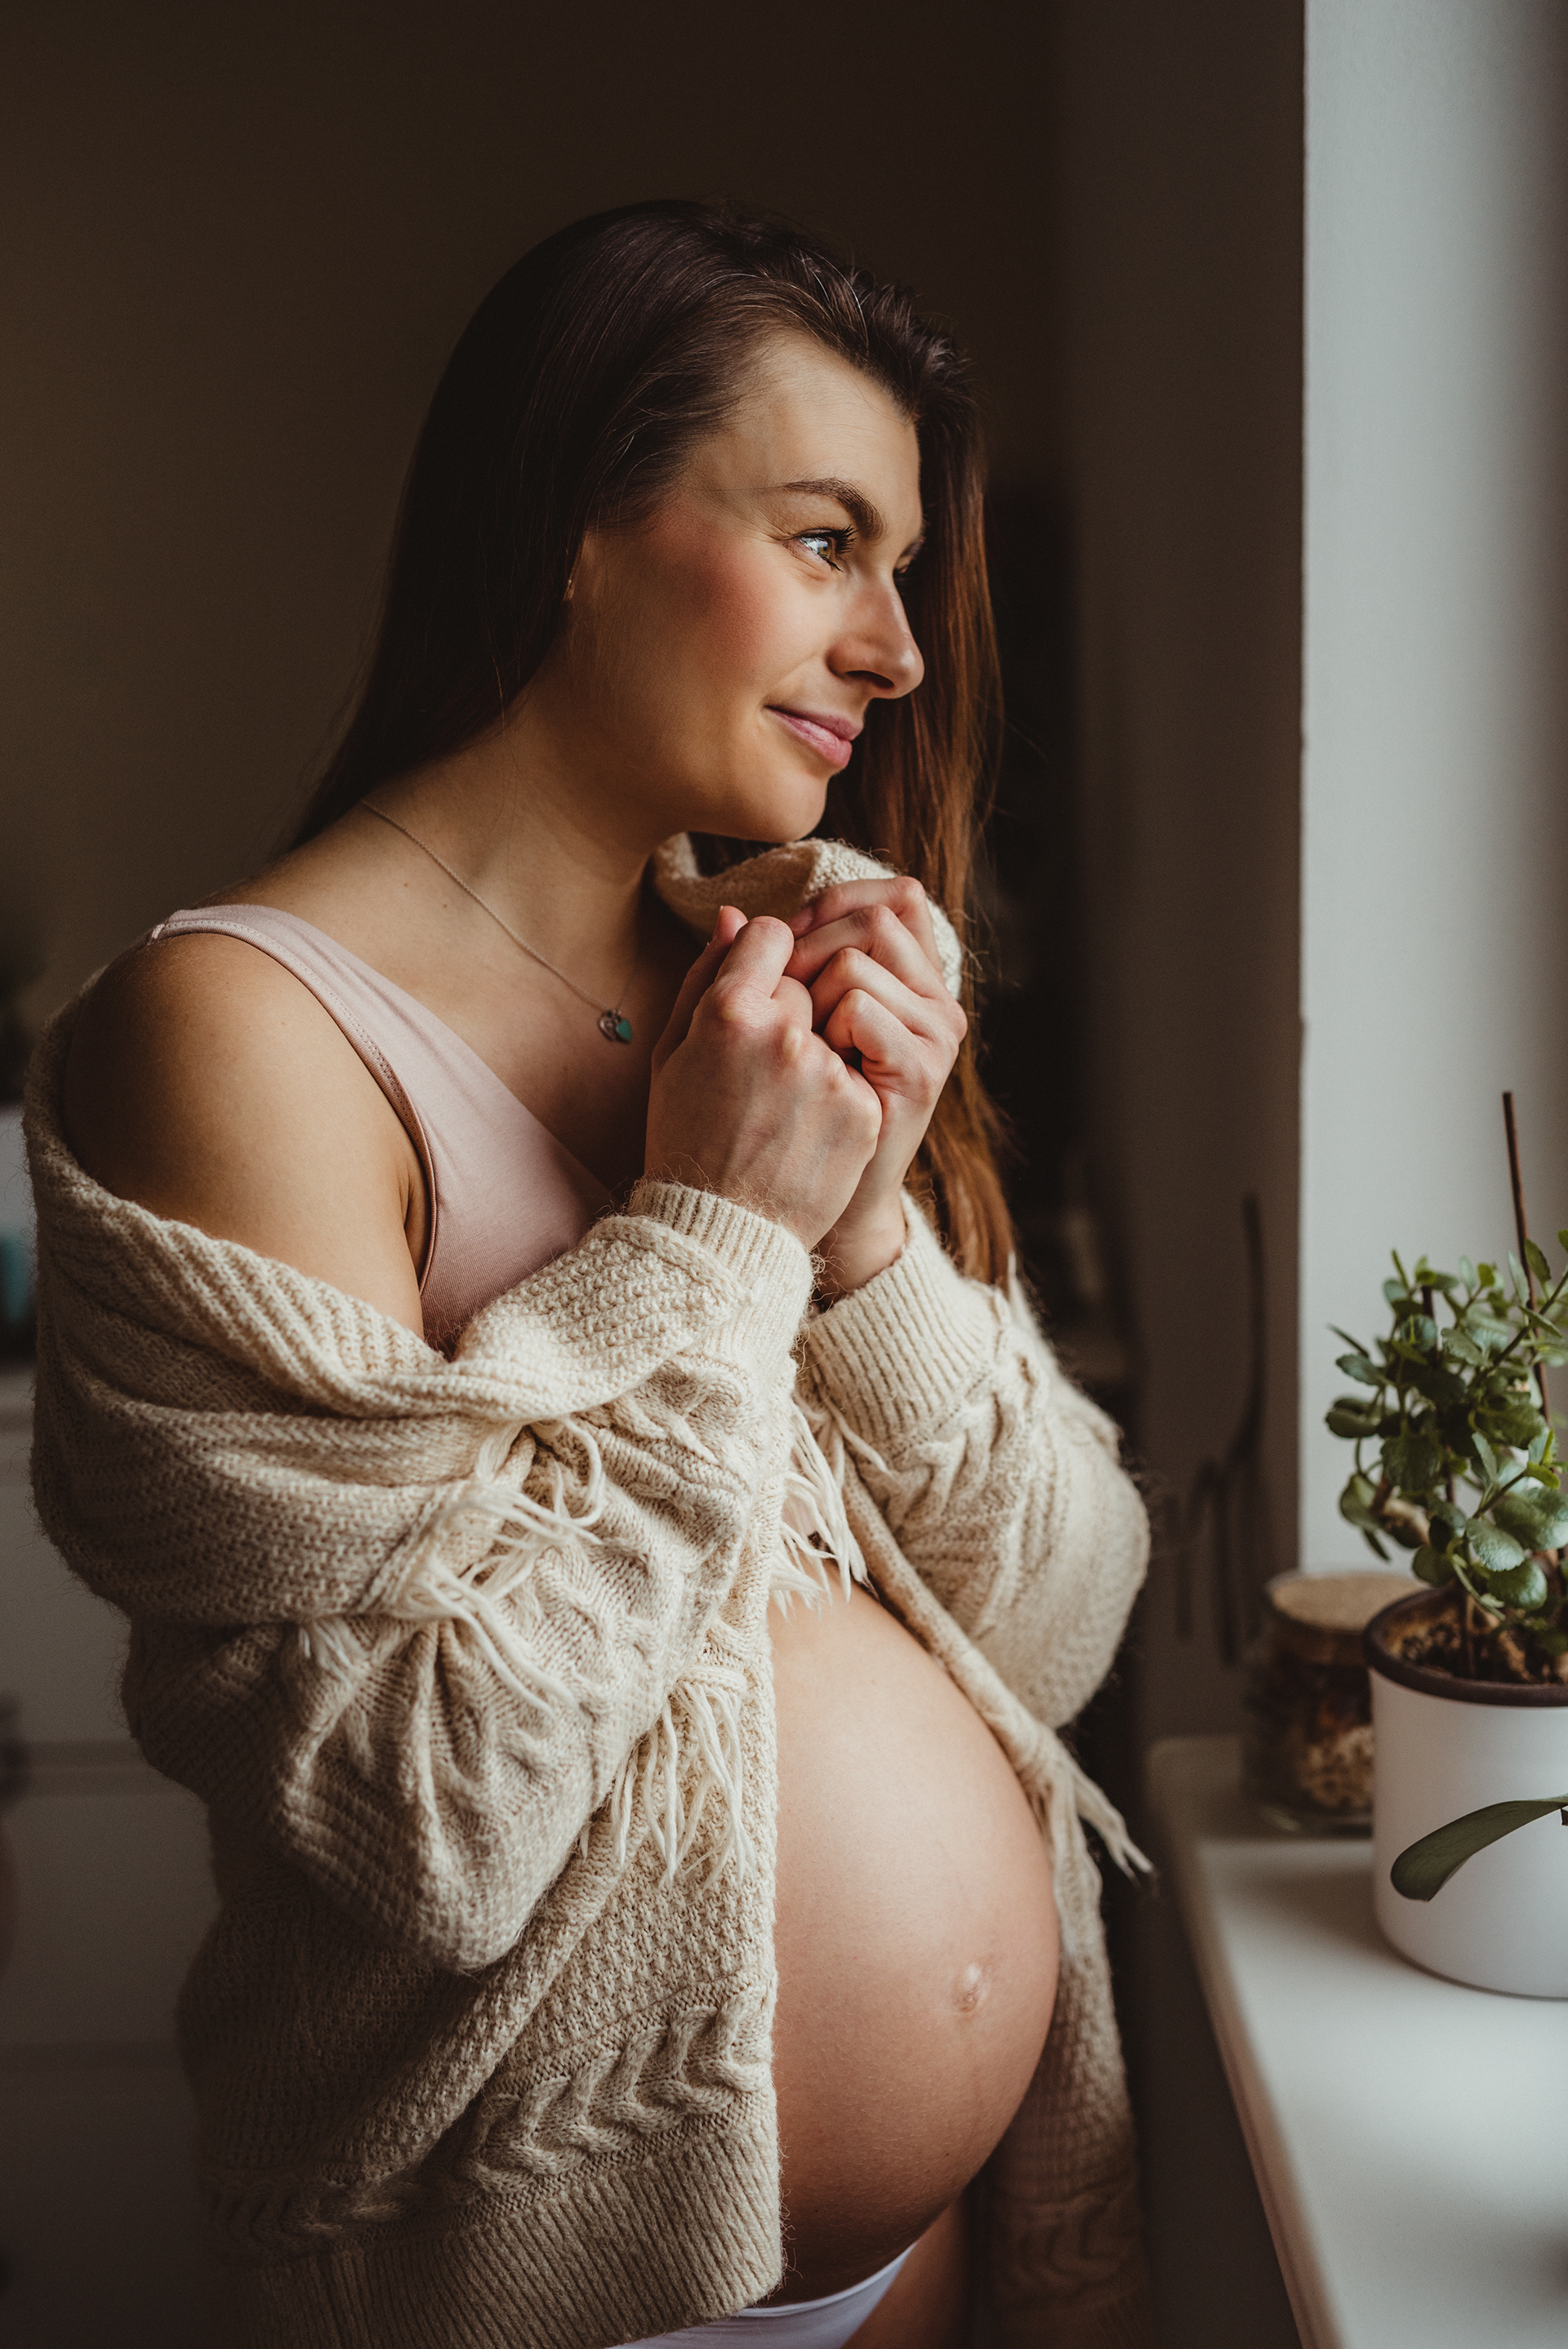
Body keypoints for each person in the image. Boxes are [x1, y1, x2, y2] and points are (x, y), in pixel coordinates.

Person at [28, 203, 1152, 2349]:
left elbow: (1067, 1618)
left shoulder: (770, 979)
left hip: (930, 2265)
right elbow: (427, 1808)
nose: (900, 650)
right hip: (533, 2284)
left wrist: (861, 1239)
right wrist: (713, 1238)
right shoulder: (241, 1037)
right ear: (576, 530)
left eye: (904, 570)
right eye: (826, 543)